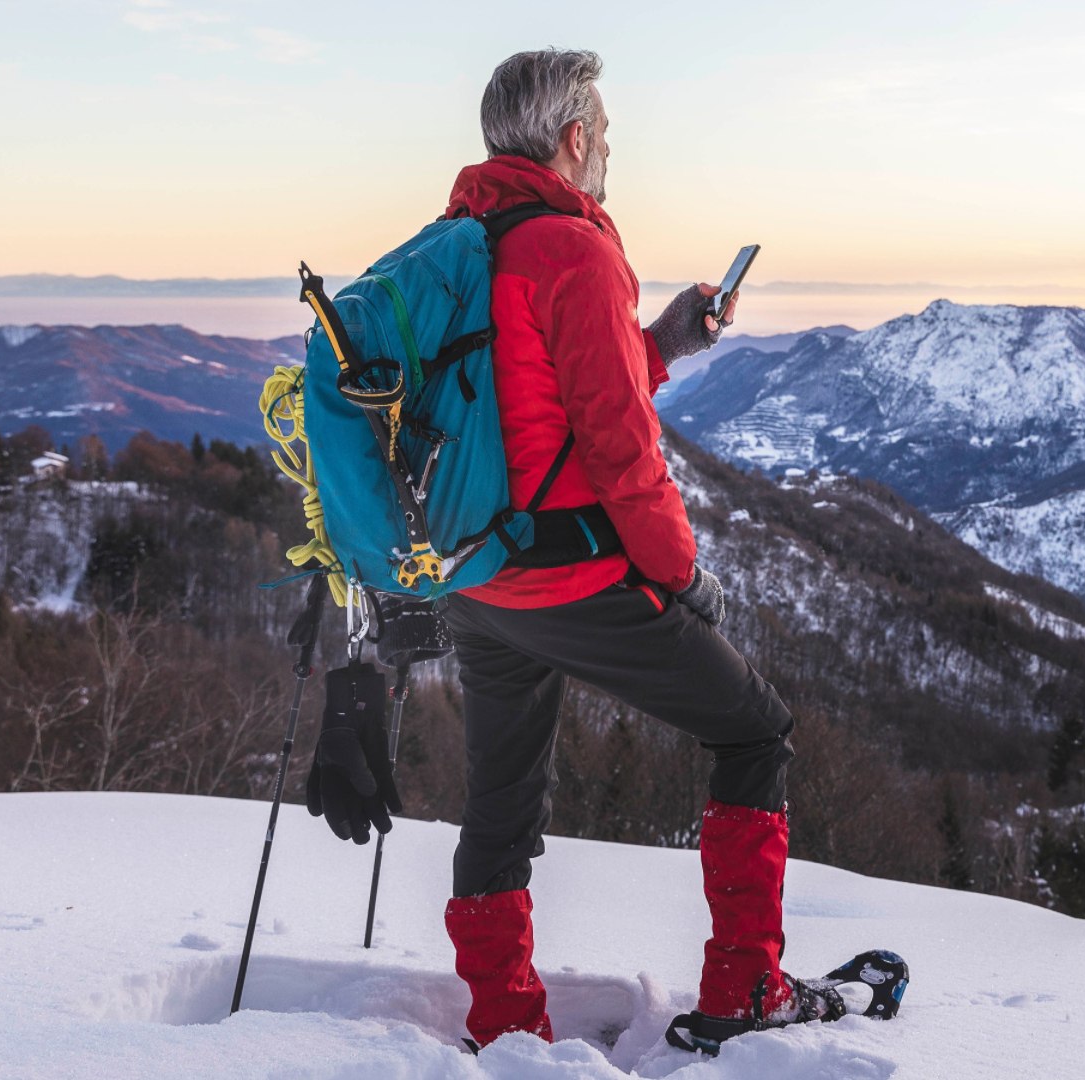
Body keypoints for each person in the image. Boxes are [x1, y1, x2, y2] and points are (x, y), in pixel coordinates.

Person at [431, 48, 830, 1051]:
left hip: (477, 574)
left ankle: (503, 1021)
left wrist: (661, 340)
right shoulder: (572, 247)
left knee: (501, 798)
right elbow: (618, 446)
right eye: (602, 133)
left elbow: (537, 406)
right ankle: (745, 991)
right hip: (571, 572)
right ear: (573, 139)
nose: (607, 150)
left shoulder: (462, 239)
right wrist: (680, 576)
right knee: (754, 731)